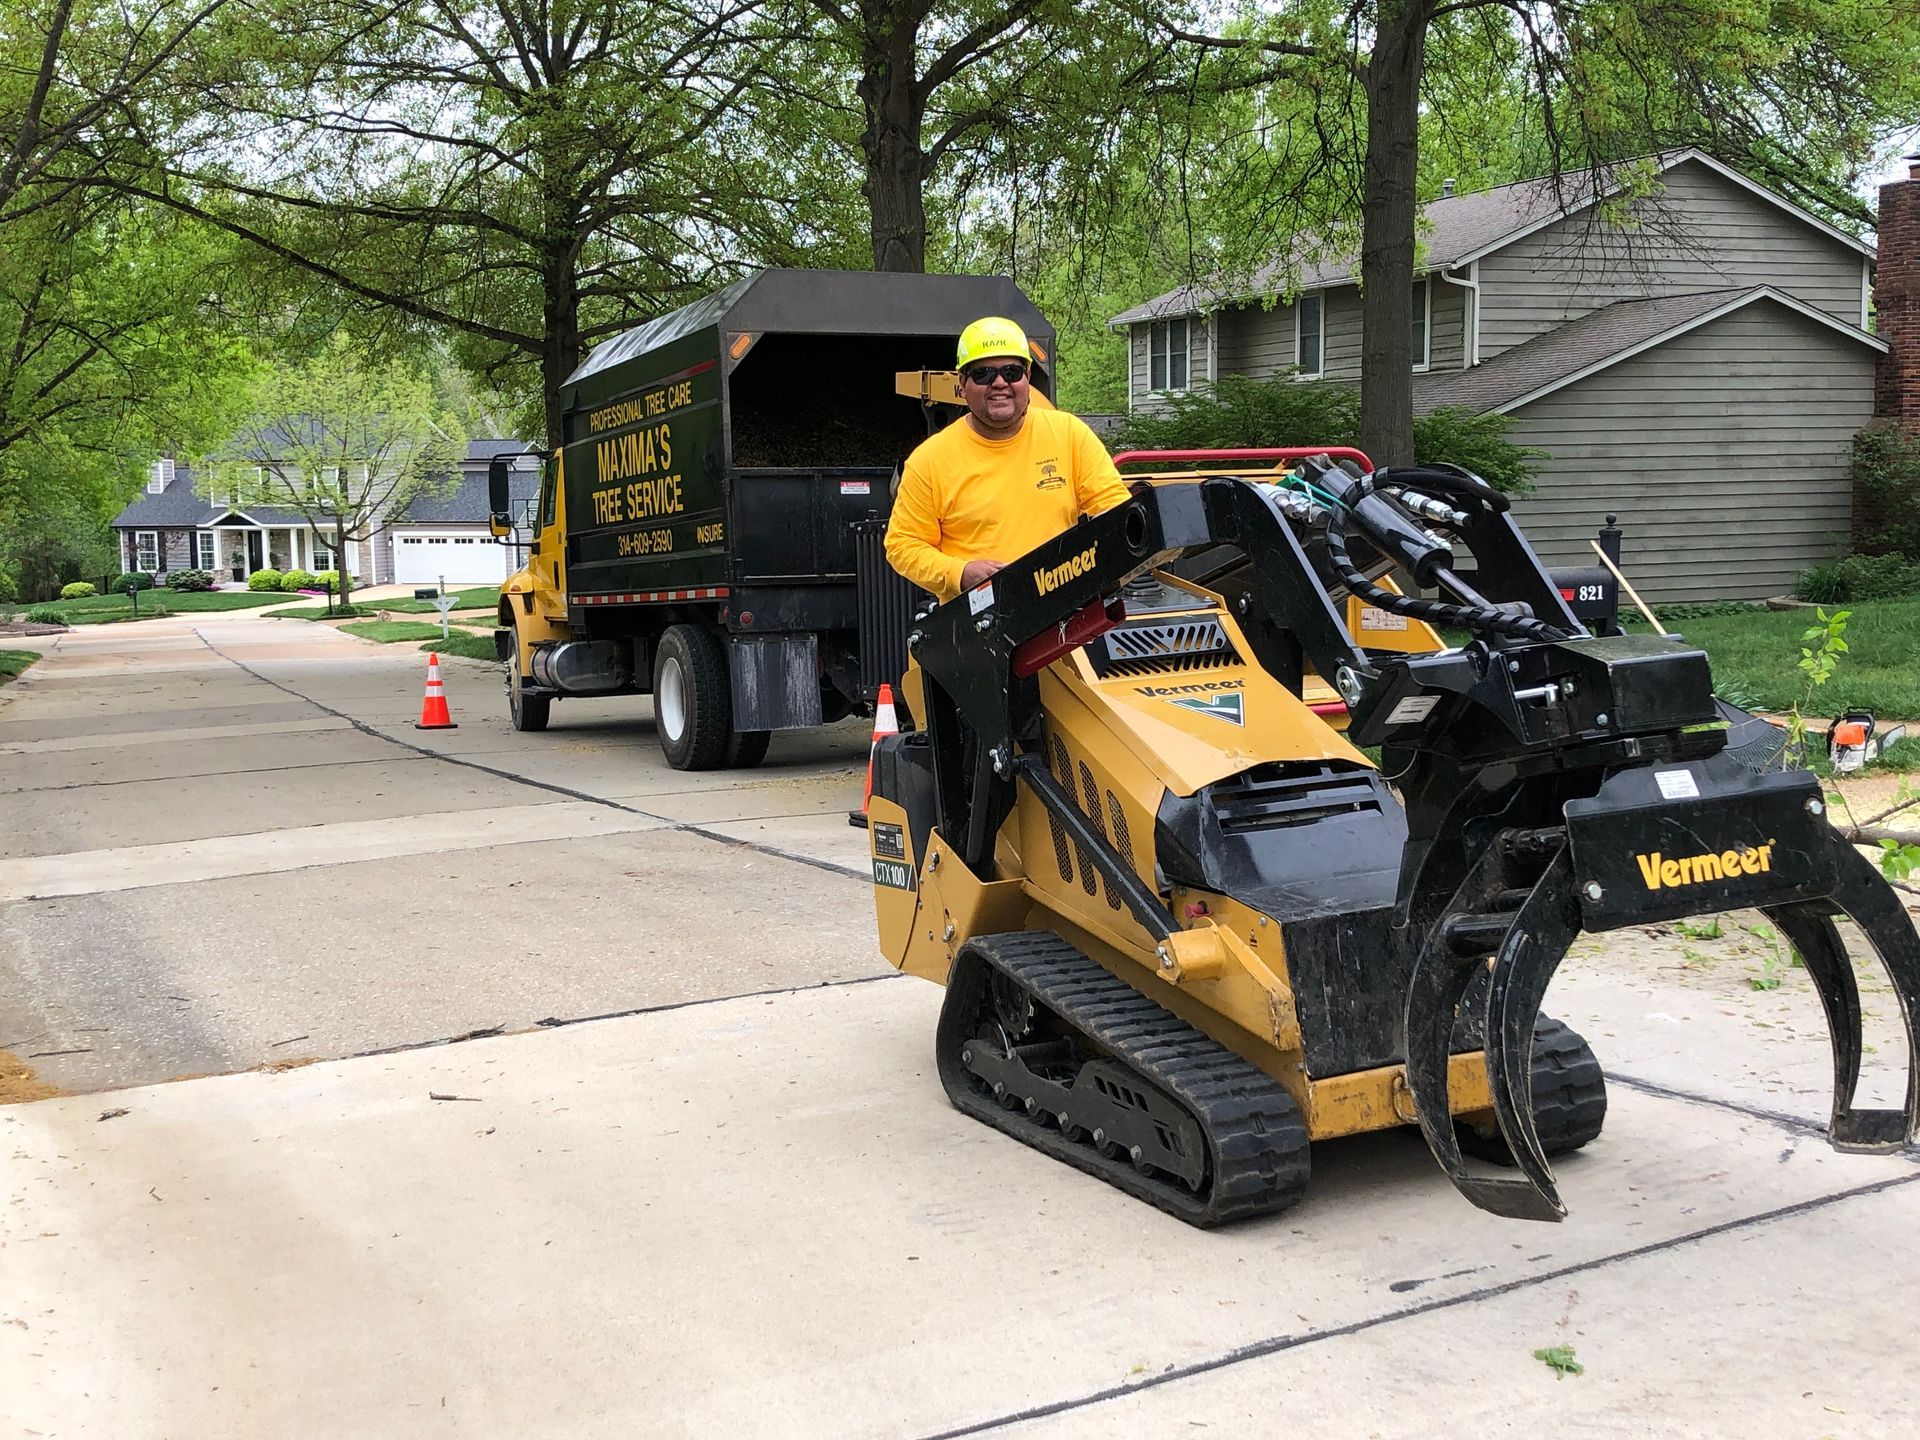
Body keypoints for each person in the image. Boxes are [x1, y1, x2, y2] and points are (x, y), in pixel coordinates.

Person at [885, 316, 1132, 602]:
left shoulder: (1069, 435)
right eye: (984, 374)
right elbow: (902, 545)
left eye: (1012, 372)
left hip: (1060, 614)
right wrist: (960, 573)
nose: (1000, 383)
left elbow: (1114, 508)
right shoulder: (930, 460)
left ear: (1027, 376)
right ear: (962, 383)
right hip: (978, 625)